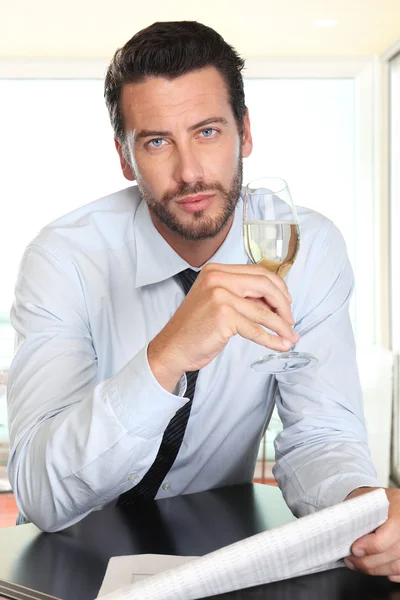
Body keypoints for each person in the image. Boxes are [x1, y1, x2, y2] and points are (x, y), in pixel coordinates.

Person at [6, 20, 400, 581]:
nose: (189, 172)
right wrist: (165, 357)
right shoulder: (64, 257)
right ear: (125, 158)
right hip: (71, 558)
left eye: (208, 132)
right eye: (157, 141)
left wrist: (363, 508)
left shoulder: (304, 246)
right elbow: (42, 495)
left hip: (220, 551)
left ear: (245, 131)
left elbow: (321, 435)